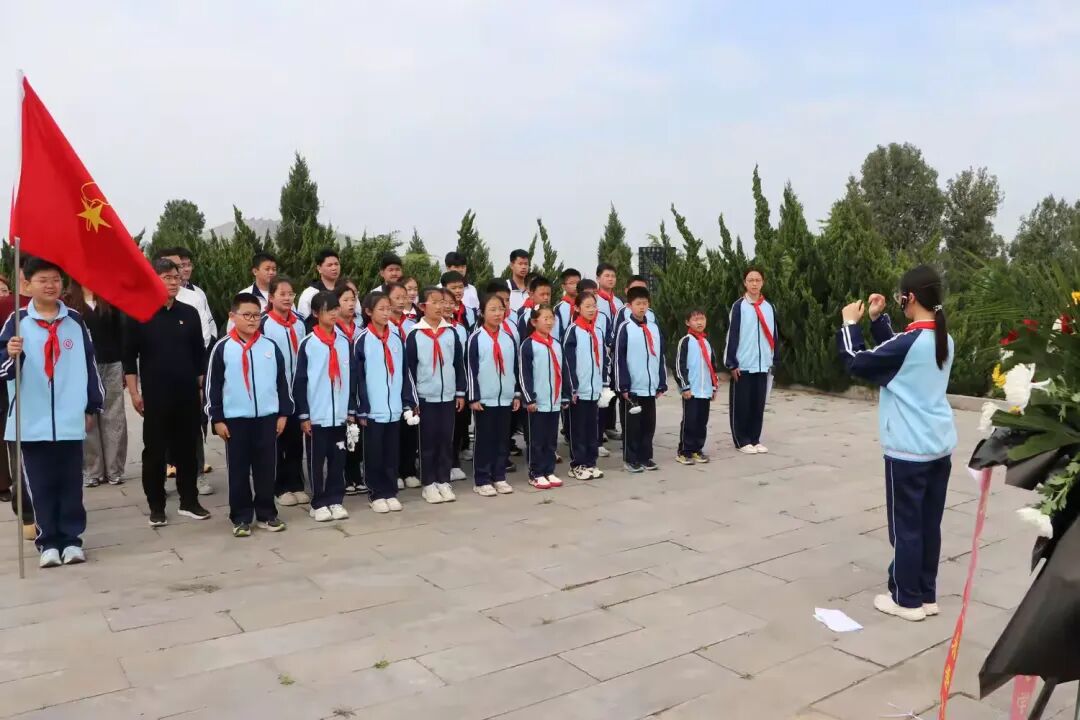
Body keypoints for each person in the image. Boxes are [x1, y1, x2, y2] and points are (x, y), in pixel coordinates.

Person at [838, 265, 956, 623]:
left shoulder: (911, 343)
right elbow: (898, 352)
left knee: (905, 527)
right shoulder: (941, 338)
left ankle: (906, 600)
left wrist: (850, 325)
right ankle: (926, 593)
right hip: (938, 446)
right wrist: (878, 321)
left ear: (911, 298)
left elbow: (857, 362)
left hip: (907, 450)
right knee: (928, 524)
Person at [0, 257, 104, 567]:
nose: (50, 285)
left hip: (70, 419)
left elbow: (90, 365)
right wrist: (10, 354)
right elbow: (3, 369)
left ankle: (72, 540)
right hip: (31, 420)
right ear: (27, 285)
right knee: (40, 484)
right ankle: (47, 542)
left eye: (56, 280)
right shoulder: (16, 322)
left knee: (71, 483)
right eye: (43, 280)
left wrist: (91, 406)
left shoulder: (75, 320)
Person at [124, 259, 210, 527]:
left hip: (186, 393)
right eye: (166, 277)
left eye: (176, 277)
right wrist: (134, 393)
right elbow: (129, 358)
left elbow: (199, 356)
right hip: (156, 395)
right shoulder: (140, 314)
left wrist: (200, 389)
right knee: (155, 453)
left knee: (187, 449)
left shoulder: (189, 312)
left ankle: (189, 501)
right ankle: (156, 505)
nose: (173, 282)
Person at [206, 293, 293, 537]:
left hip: (266, 418)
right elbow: (213, 387)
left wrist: (283, 413)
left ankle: (267, 513)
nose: (252, 320)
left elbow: (281, 383)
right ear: (232, 317)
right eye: (246, 315)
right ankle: (241, 516)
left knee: (266, 468)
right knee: (239, 470)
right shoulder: (222, 348)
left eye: (256, 315)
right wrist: (217, 418)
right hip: (236, 420)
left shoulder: (269, 346)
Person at [293, 291, 354, 522]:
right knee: (316, 461)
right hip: (317, 415)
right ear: (317, 313)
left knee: (338, 458)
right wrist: (304, 414)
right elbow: (300, 381)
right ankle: (318, 501)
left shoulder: (344, 342)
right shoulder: (308, 343)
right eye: (329, 310)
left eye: (336, 308)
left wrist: (350, 410)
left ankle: (335, 499)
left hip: (339, 414)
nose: (334, 314)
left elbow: (351, 378)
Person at [404, 287, 465, 504]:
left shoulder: (451, 332)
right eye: (435, 302)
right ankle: (428, 483)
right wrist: (412, 399)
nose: (440, 306)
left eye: (443, 302)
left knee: (445, 441)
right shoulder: (415, 334)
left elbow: (458, 364)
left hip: (447, 396)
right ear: (423, 307)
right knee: (428, 442)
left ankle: (443, 480)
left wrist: (460, 391)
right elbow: (409, 369)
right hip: (425, 397)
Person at [66, 279, 127, 487]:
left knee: (114, 416)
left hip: (111, 362)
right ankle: (92, 470)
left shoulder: (109, 299)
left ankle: (114, 469)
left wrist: (125, 367)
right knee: (88, 416)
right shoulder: (68, 302)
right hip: (81, 365)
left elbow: (121, 334)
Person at [356, 291, 411, 513]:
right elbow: (358, 377)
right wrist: (362, 408)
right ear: (369, 312)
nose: (387, 313)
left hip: (394, 408)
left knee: (391, 451)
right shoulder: (362, 340)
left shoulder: (397, 338)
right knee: (374, 452)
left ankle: (390, 490)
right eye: (381, 309)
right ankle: (376, 492)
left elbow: (405, 372)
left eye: (389, 308)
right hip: (373, 409)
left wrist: (407, 401)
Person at [259, 277, 309, 506]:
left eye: (291, 294)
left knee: (295, 441)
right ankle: (278, 487)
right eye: (283, 294)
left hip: (297, 391)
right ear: (271, 297)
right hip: (275, 392)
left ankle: (296, 483)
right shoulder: (264, 323)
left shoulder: (300, 323)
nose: (288, 298)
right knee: (277, 440)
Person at [169, 246, 217, 478]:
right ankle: (168, 466)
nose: (178, 272)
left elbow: (205, 335)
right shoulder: (147, 297)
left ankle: (197, 472)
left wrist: (200, 371)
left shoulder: (194, 296)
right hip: (163, 376)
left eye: (181, 267)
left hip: (191, 370)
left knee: (193, 423)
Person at [467, 293, 519, 496]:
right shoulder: (476, 338)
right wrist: (474, 396)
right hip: (485, 399)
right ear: (482, 312)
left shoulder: (508, 339)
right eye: (492, 309)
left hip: (505, 397)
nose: (498, 313)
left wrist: (516, 394)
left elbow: (514, 367)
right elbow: (470, 369)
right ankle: (482, 479)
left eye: (501, 309)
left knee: (502, 439)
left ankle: (499, 476)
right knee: (484, 439)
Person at [724, 267, 778, 454]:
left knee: (758, 404)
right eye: (750, 280)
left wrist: (773, 359)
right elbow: (733, 335)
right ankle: (741, 440)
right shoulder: (739, 306)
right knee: (742, 405)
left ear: (763, 282)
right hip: (744, 364)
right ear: (745, 283)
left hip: (762, 364)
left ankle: (755, 438)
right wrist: (732, 362)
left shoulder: (769, 307)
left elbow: (774, 334)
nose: (754, 283)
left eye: (758, 280)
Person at [615, 286, 666, 473]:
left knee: (648, 424)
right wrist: (623, 384)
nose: (642, 308)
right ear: (629, 306)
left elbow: (660, 355)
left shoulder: (653, 327)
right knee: (632, 426)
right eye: (638, 304)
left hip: (650, 386)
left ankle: (646, 456)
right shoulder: (625, 328)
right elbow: (619, 358)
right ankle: (631, 458)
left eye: (645, 304)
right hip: (633, 387)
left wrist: (661, 381)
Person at [0, 261, 34, 537]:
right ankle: (26, 515)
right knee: (19, 456)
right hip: (12, 394)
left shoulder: (65, 314)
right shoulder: (12, 312)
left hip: (49, 401)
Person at [519, 305, 566, 489]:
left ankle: (549, 470)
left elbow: (563, 371)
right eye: (544, 318)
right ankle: (536, 472)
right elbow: (525, 374)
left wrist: (565, 395)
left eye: (551, 318)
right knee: (536, 439)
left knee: (550, 438)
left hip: (553, 400)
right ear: (534, 322)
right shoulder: (529, 344)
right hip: (537, 402)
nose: (549, 322)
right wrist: (528, 398)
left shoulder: (556, 344)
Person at [563, 292, 606, 480]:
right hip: (578, 391)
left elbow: (603, 359)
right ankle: (577, 464)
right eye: (587, 306)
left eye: (594, 306)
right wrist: (571, 387)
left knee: (592, 428)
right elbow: (568, 362)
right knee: (578, 429)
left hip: (594, 389)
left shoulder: (597, 331)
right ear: (577, 308)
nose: (591, 309)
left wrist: (603, 383)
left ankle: (590, 462)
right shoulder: (573, 331)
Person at [674, 309, 719, 465]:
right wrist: (684, 387)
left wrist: (714, 387)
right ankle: (684, 450)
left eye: (702, 319)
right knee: (690, 420)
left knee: (701, 421)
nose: (699, 322)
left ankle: (697, 449)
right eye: (695, 319)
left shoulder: (707, 342)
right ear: (688, 322)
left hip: (705, 390)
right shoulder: (685, 341)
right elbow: (679, 366)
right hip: (691, 390)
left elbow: (712, 366)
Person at [386, 282, 419, 490]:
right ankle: (395, 470)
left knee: (410, 427)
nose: (401, 301)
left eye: (404, 297)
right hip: (391, 382)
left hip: (411, 380)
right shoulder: (384, 326)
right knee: (394, 429)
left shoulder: (412, 324)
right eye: (396, 297)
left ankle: (409, 470)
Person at [443, 270, 475, 478]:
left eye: (460, 288)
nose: (448, 305)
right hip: (437, 385)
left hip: (458, 383)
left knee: (458, 424)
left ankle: (453, 461)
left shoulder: (461, 327)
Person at [334, 284, 364, 494]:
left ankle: (356, 475)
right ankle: (343, 476)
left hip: (359, 385)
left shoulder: (361, 328)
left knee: (357, 433)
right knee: (342, 433)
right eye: (345, 300)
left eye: (353, 299)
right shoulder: (332, 329)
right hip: (340, 386)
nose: (350, 304)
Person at [595, 263, 624, 443]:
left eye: (613, 276)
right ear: (598, 278)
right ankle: (600, 427)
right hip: (602, 351)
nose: (610, 279)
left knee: (614, 389)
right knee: (603, 390)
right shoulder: (595, 300)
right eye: (607, 276)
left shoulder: (618, 302)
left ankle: (610, 425)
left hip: (616, 353)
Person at [296, 248, 342, 319]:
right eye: (329, 265)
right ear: (319, 268)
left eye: (336, 264)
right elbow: (302, 320)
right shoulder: (310, 293)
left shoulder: (346, 290)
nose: (334, 268)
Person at [515, 275, 552, 340]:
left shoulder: (555, 316)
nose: (546, 298)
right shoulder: (525, 318)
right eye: (542, 294)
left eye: (548, 294)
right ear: (531, 295)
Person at [553, 268, 581, 340]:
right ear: (563, 286)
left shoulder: (585, 306)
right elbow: (556, 333)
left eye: (578, 283)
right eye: (571, 283)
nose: (576, 286)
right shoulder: (559, 308)